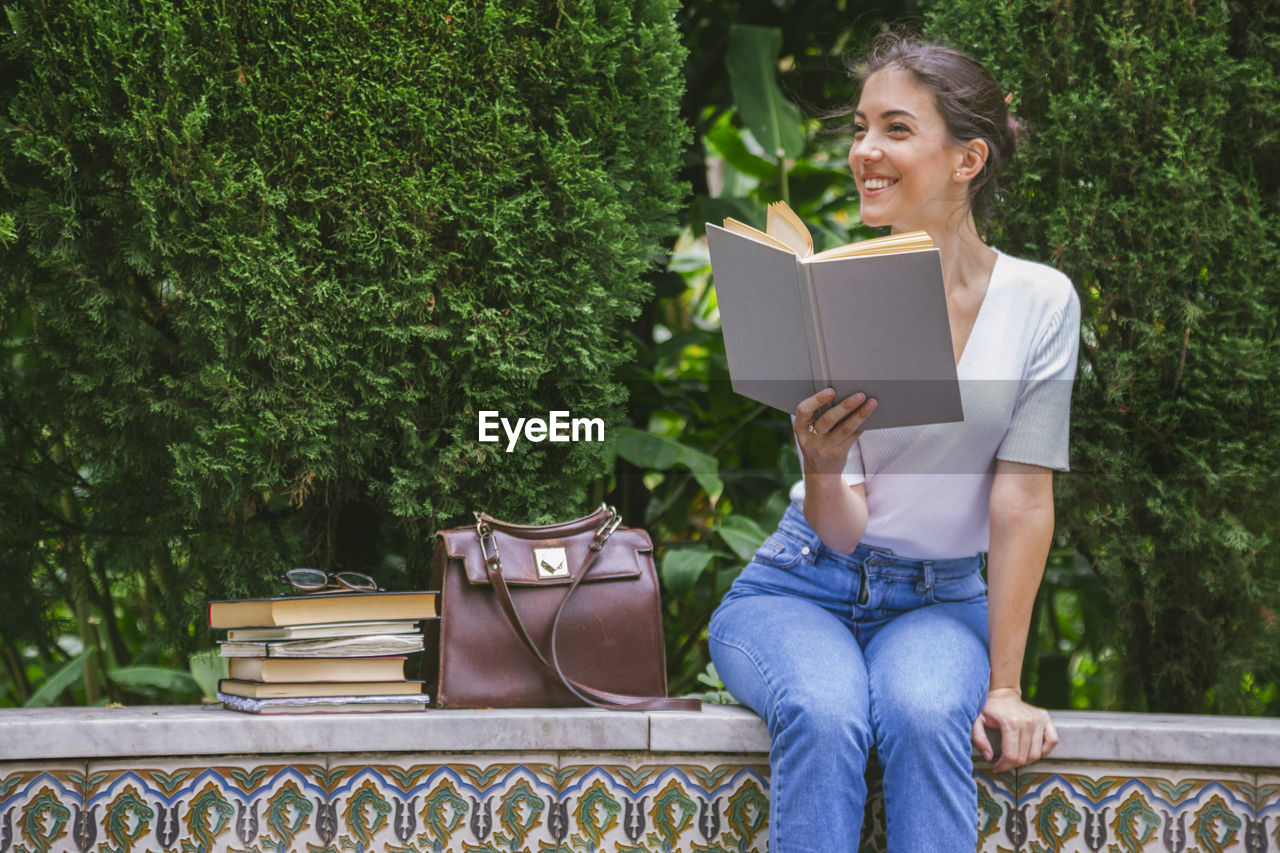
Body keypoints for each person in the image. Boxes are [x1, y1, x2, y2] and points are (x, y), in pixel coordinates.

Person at [707, 30, 1080, 852]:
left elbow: (1022, 499)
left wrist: (1008, 686)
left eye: (896, 129)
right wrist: (823, 464)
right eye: (860, 128)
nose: (865, 151)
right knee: (825, 708)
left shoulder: (1040, 302)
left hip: (941, 602)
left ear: (967, 159)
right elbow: (842, 524)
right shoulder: (842, 291)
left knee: (919, 712)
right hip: (801, 585)